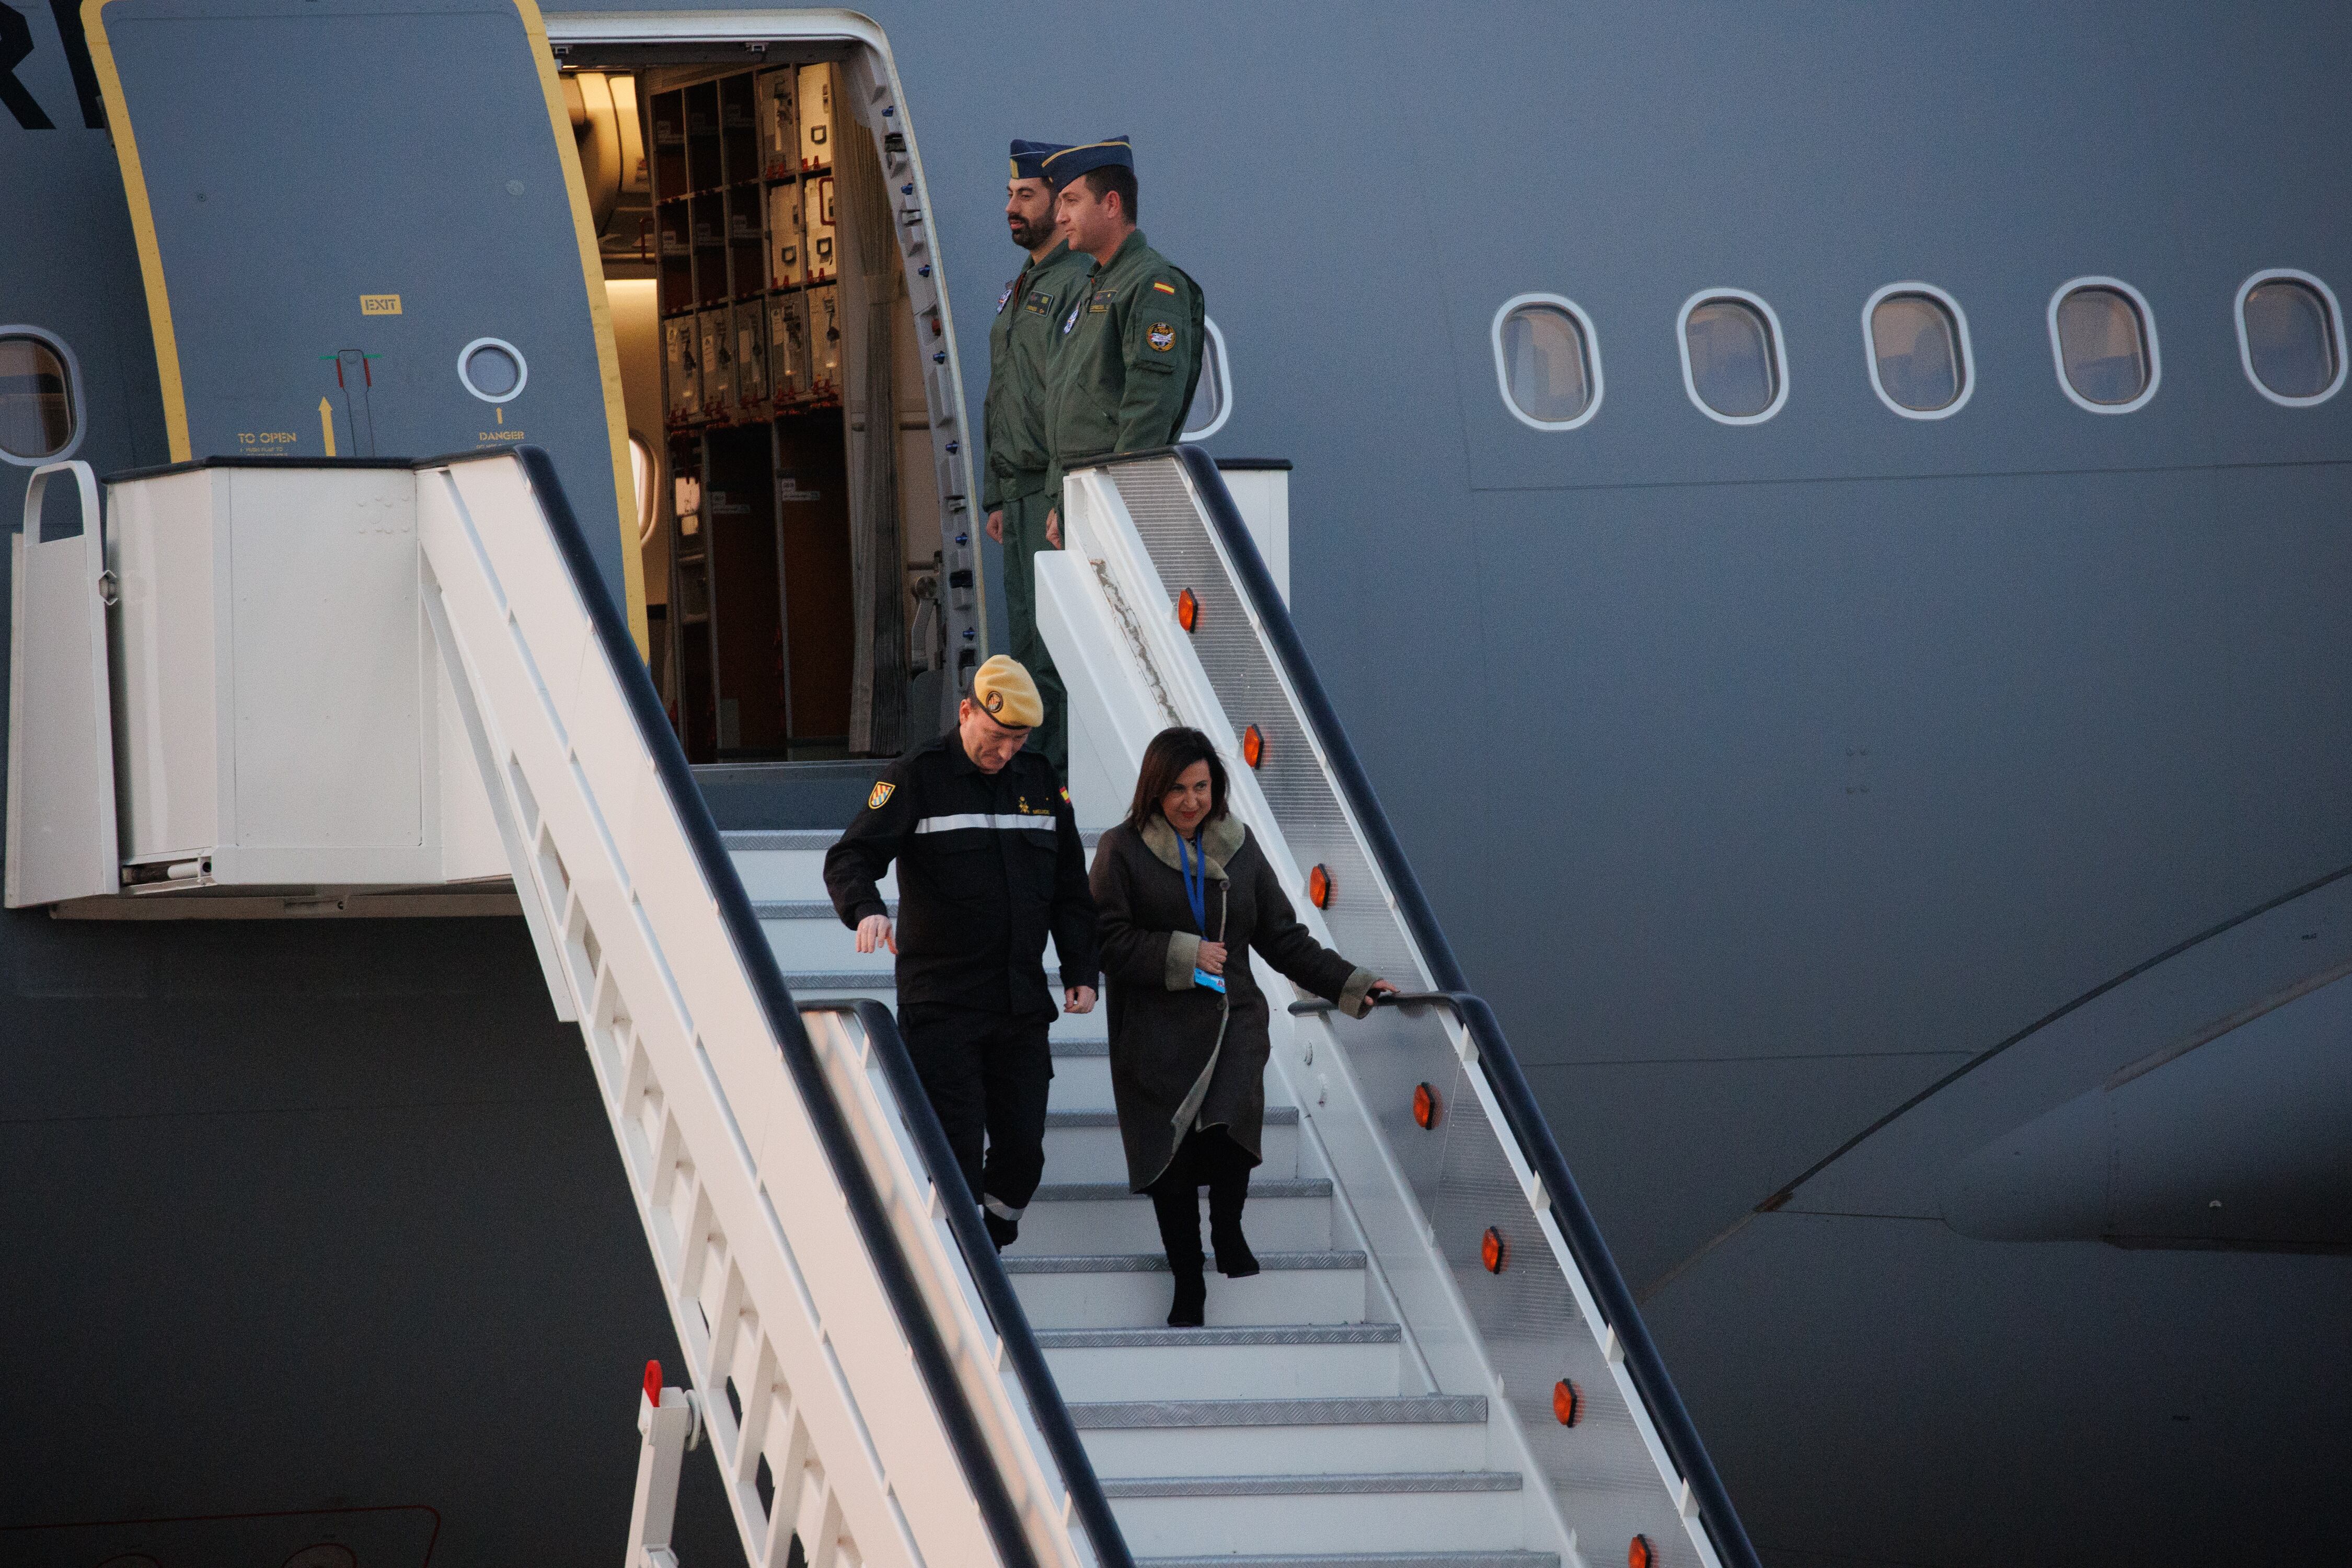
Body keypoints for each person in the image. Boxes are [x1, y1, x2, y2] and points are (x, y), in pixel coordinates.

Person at [1089, 727, 1396, 1327]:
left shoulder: (1239, 846)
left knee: (1231, 1126)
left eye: (1201, 787)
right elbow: (1104, 939)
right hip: (1154, 1029)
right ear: (1154, 790)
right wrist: (1183, 953)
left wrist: (1353, 984)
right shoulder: (1121, 850)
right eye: (1177, 789)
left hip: (1233, 1016)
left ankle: (1227, 1227)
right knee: (1171, 1167)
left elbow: (1282, 938)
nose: (1191, 801)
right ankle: (1188, 1281)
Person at [823, 654, 1099, 1250]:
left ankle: (990, 1240)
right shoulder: (914, 776)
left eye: (1017, 740)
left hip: (1020, 1004)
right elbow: (849, 858)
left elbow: (1072, 892)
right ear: (966, 711)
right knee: (955, 1155)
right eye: (995, 738)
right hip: (943, 1006)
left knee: (1023, 1153)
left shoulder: (1041, 781)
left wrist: (1081, 969)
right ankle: (971, 1269)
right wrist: (867, 909)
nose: (1004, 752)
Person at [981, 139, 1092, 783]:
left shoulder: (1075, 282)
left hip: (1050, 494)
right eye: (1009, 196)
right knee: (1024, 645)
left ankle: (1053, 783)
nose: (1011, 208)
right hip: (1018, 495)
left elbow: (1071, 400)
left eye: (1026, 196)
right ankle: (1034, 773)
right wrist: (996, 493)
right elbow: (1007, 391)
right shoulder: (1027, 284)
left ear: (1059, 202)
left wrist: (1055, 493)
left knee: (1052, 650)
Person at [1036, 136, 1205, 552]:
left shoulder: (1152, 284)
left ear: (1111, 204)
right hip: (1082, 491)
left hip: (1113, 501)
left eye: (1071, 201)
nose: (1059, 217)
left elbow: (1150, 406)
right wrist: (1062, 497)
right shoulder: (1096, 283)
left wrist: (1118, 504)